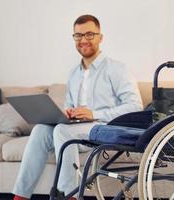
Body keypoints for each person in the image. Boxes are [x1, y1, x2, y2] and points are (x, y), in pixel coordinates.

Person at [12, 14, 143, 200]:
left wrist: (93, 113)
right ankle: (20, 196)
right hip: (77, 128)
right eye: (78, 36)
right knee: (41, 130)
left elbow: (135, 107)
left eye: (89, 34)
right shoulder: (73, 73)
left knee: (62, 132)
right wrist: (67, 113)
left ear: (100, 37)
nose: (83, 40)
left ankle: (70, 196)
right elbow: (69, 105)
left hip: (105, 127)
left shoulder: (117, 69)